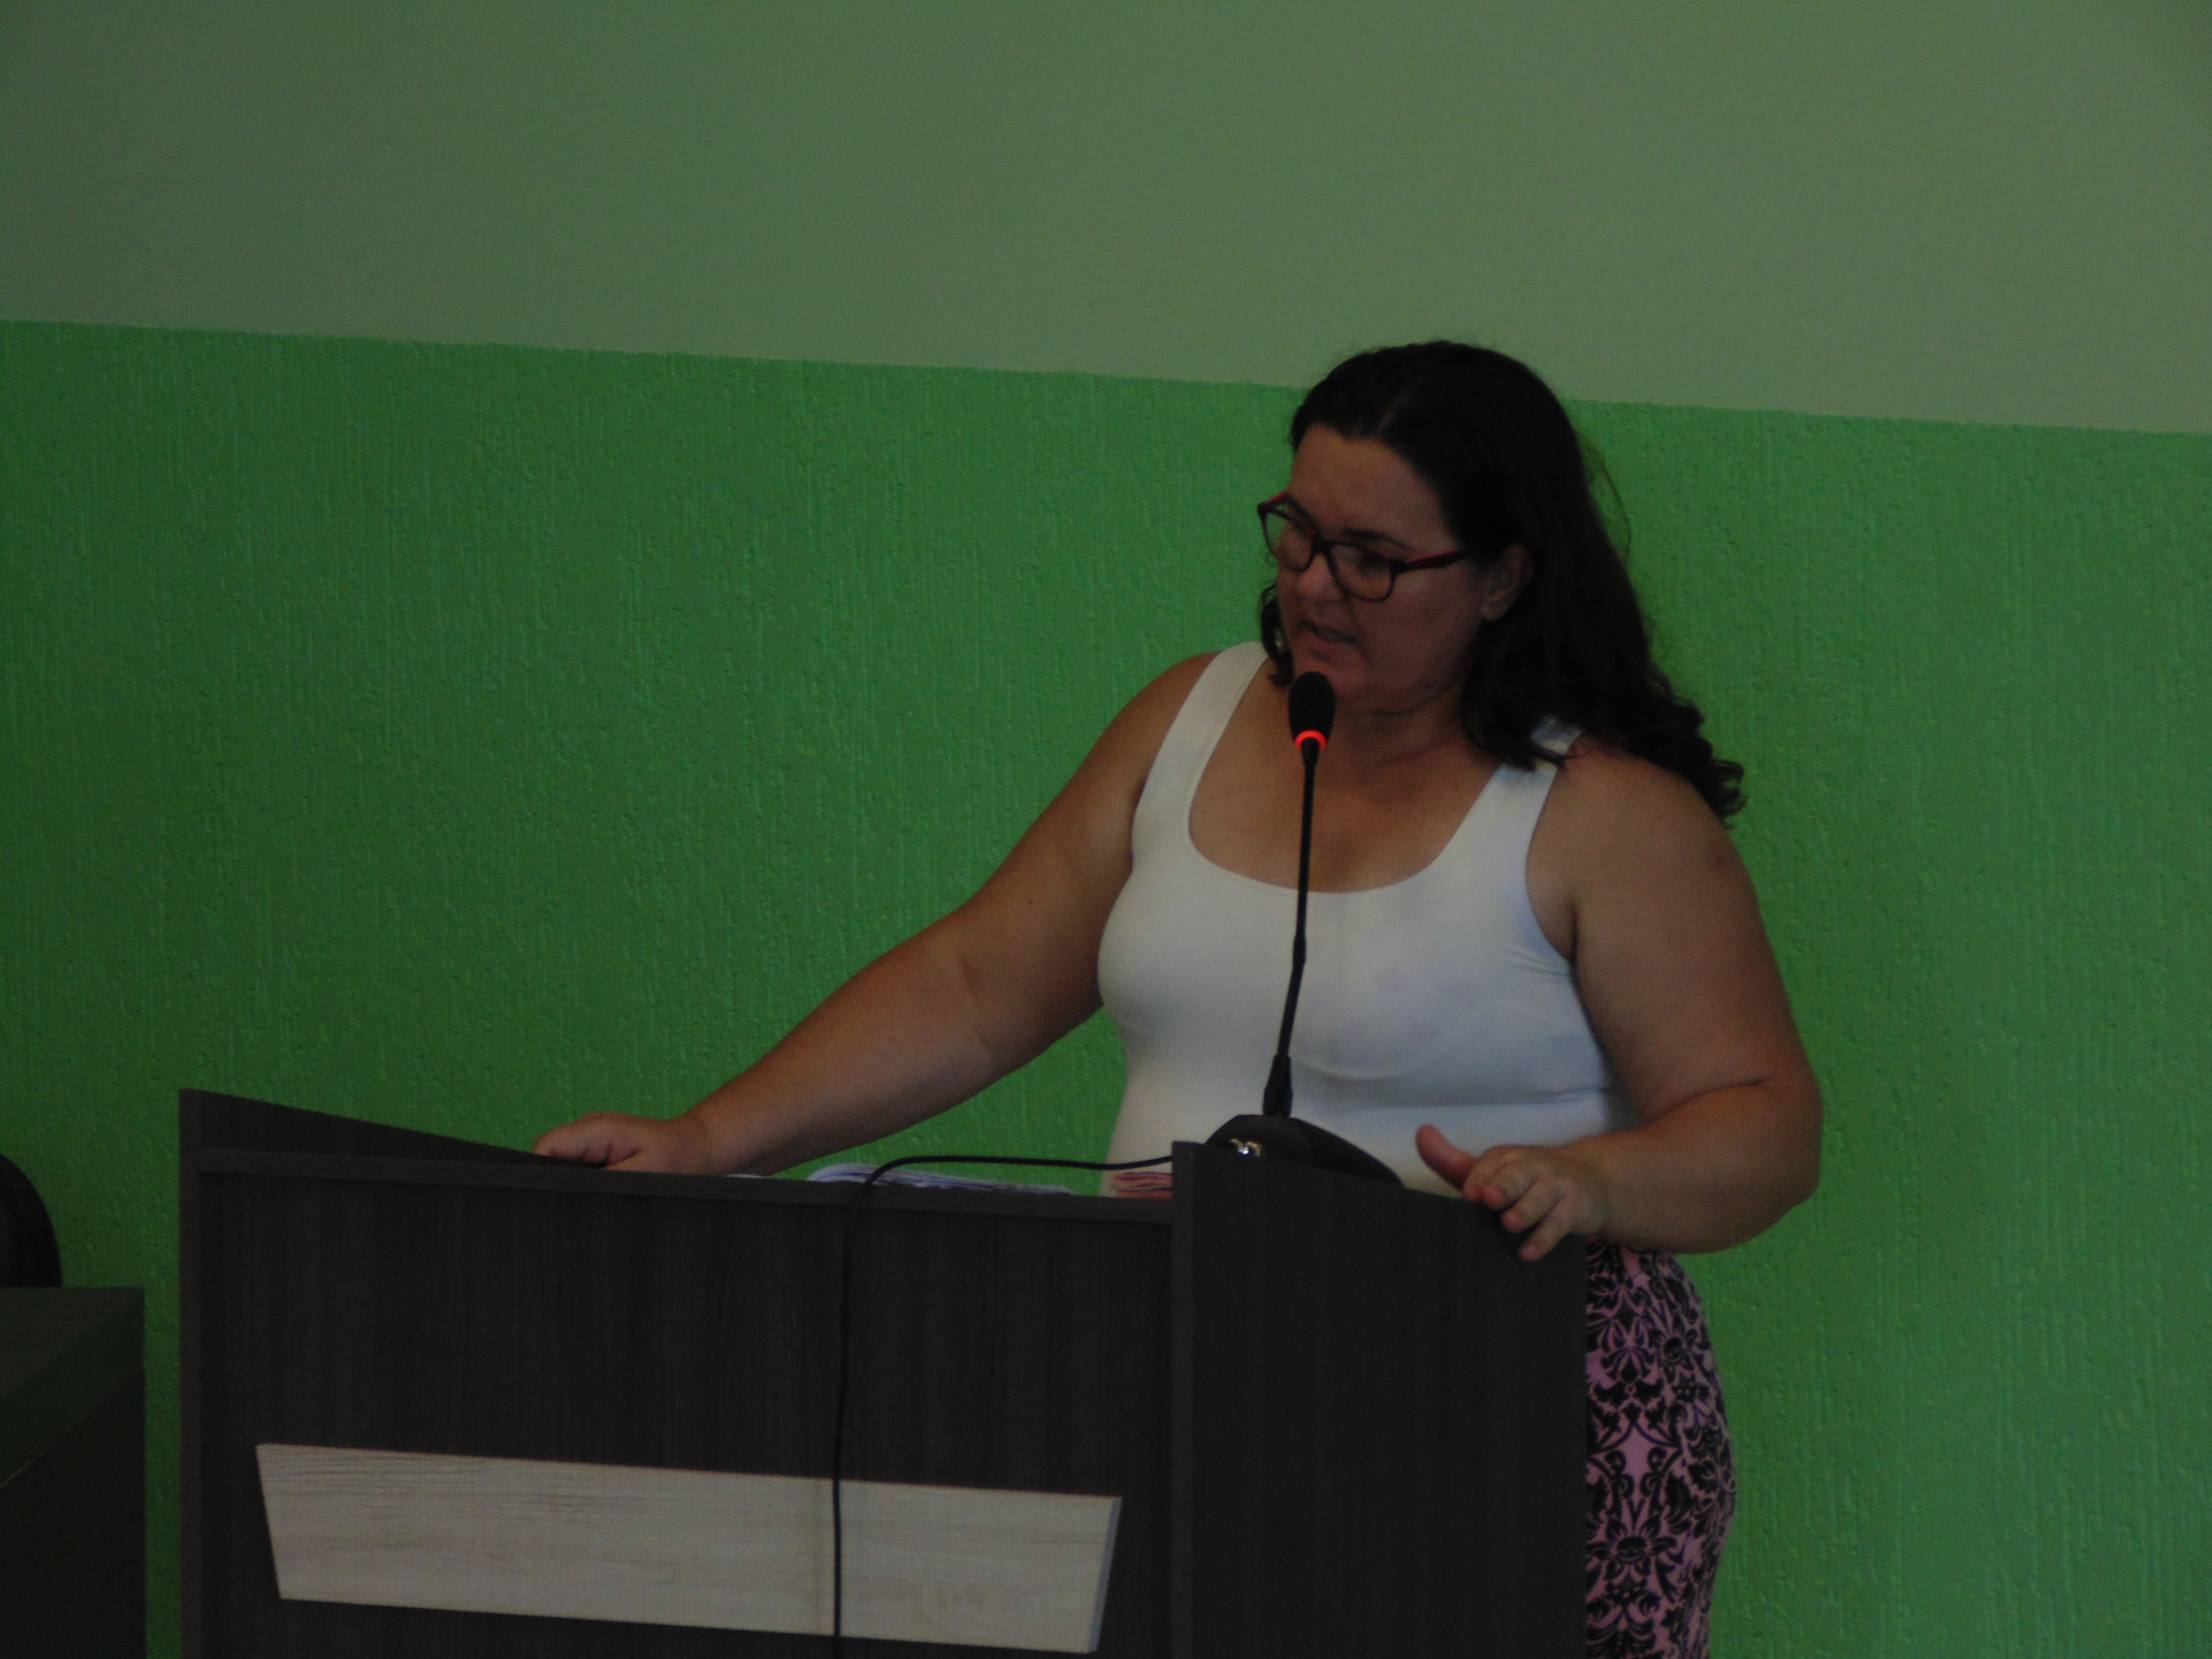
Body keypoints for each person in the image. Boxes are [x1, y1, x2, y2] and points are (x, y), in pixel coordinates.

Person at [536, 342, 1822, 1658]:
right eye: (1297, 533)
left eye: (1373, 558)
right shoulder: (1190, 717)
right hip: (1183, 1391)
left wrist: (1591, 1182)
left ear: (1501, 578)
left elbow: (1766, 1125)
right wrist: (710, 1141)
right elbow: (976, 987)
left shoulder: (1605, 816)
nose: (1315, 585)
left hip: (1508, 1423)